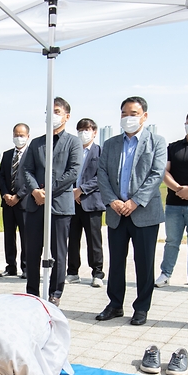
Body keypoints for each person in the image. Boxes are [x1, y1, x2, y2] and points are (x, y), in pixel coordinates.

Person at [95, 96, 167, 326]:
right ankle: (115, 304)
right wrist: (112, 200)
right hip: (117, 212)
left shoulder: (157, 141)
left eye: (133, 113)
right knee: (116, 261)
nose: (128, 118)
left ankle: (141, 307)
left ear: (144, 116)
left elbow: (156, 175)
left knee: (144, 262)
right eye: (124, 113)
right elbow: (102, 174)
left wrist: (135, 201)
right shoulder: (111, 144)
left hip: (143, 212)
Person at [20, 97, 82, 305]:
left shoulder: (73, 142)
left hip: (59, 205)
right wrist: (36, 191)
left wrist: (48, 190)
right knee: (32, 249)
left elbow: (73, 171)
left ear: (67, 116)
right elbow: (26, 169)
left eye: (56, 111)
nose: (52, 115)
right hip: (36, 204)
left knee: (58, 251)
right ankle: (32, 291)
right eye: (49, 111)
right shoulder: (37, 142)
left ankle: (55, 292)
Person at [156, 108, 188, 291]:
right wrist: (179, 189)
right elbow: (164, 172)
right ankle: (165, 274)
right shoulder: (173, 147)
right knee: (172, 241)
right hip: (174, 202)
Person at [66, 118, 105, 288]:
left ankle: (97, 273)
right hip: (71, 202)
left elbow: (101, 177)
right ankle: (73, 272)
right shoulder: (72, 151)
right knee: (72, 239)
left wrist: (81, 190)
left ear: (94, 132)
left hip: (92, 202)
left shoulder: (100, 151)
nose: (83, 133)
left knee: (94, 240)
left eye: (87, 129)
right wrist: (72, 192)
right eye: (80, 130)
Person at [0, 123, 30, 279]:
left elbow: (33, 179)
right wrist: (5, 194)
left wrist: (18, 196)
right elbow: (1, 176)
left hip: (24, 203)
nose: (18, 138)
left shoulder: (32, 154)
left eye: (21, 135)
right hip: (8, 202)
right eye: (16, 135)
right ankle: (11, 266)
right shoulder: (7, 154)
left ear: (27, 136)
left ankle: (26, 267)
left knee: (26, 236)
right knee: (9, 236)